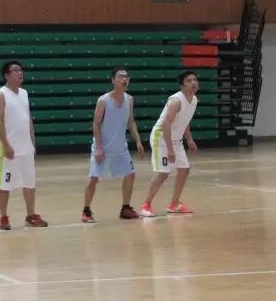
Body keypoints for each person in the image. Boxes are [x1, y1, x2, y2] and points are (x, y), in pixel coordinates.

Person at [82, 67, 145, 222]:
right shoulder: (104, 100)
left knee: (130, 174)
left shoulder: (129, 100)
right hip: (103, 147)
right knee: (93, 179)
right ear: (113, 80)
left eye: (127, 77)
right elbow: (96, 124)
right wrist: (99, 147)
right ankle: (86, 211)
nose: (124, 79)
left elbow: (131, 122)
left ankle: (125, 208)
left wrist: (138, 141)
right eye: (120, 76)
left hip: (120, 148)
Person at [0, 60, 47, 230]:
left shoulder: (24, 93)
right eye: (15, 70)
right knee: (4, 184)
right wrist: (6, 145)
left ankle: (31, 216)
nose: (19, 73)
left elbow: (27, 117)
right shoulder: (1, 94)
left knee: (29, 182)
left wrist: (32, 140)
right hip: (8, 149)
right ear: (6, 75)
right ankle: (3, 217)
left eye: (20, 70)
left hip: (25, 148)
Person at [139, 71, 200, 217]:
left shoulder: (194, 100)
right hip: (161, 138)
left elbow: (185, 120)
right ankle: (146, 205)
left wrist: (189, 139)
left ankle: (174, 204)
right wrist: (170, 149)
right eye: (189, 80)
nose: (193, 83)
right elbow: (166, 124)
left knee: (184, 170)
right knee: (163, 173)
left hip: (176, 140)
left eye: (195, 80)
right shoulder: (176, 101)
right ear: (182, 85)